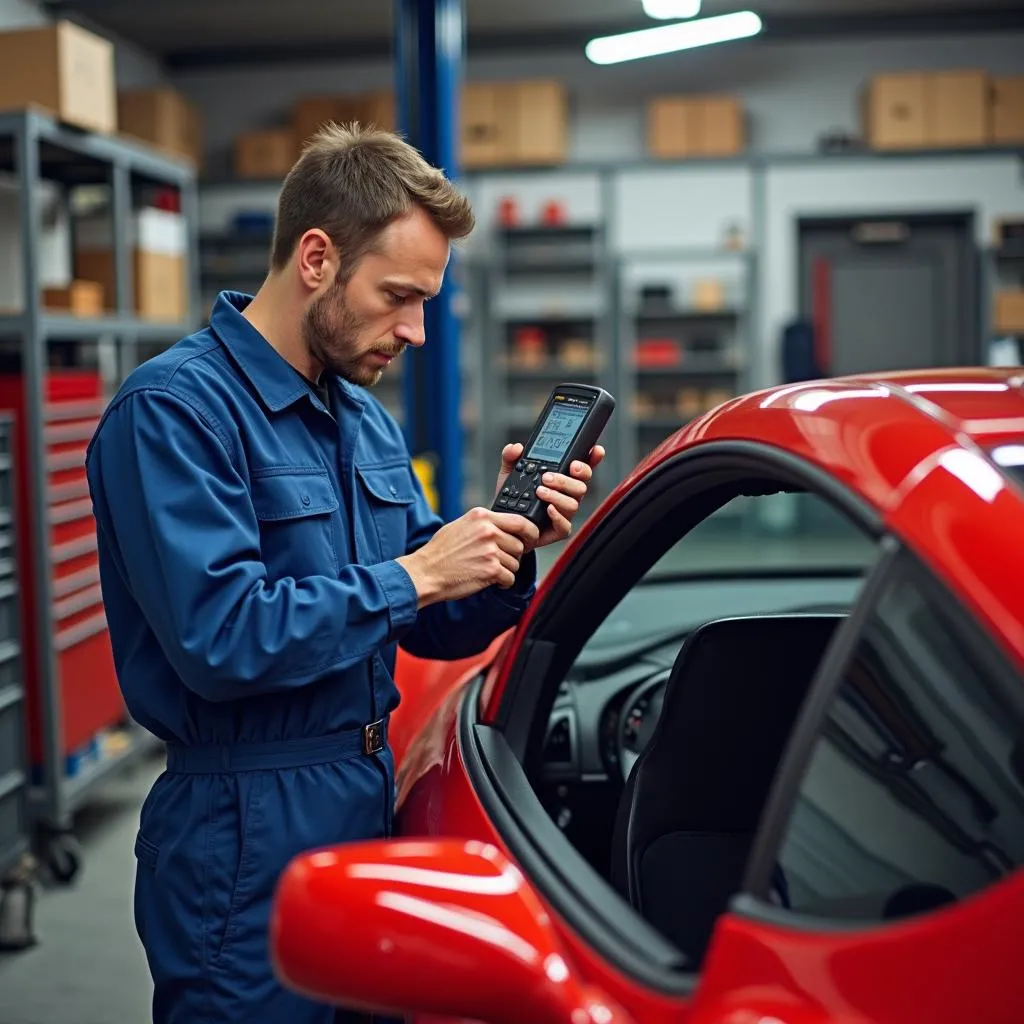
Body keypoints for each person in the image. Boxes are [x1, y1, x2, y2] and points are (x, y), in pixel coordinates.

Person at [85, 122, 604, 1024]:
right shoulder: (173, 413)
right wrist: (415, 574)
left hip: (366, 798)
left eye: (427, 301)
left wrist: (499, 552)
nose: (415, 329)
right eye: (399, 295)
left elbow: (429, 622)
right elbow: (222, 638)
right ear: (317, 258)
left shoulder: (361, 421)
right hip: (242, 826)